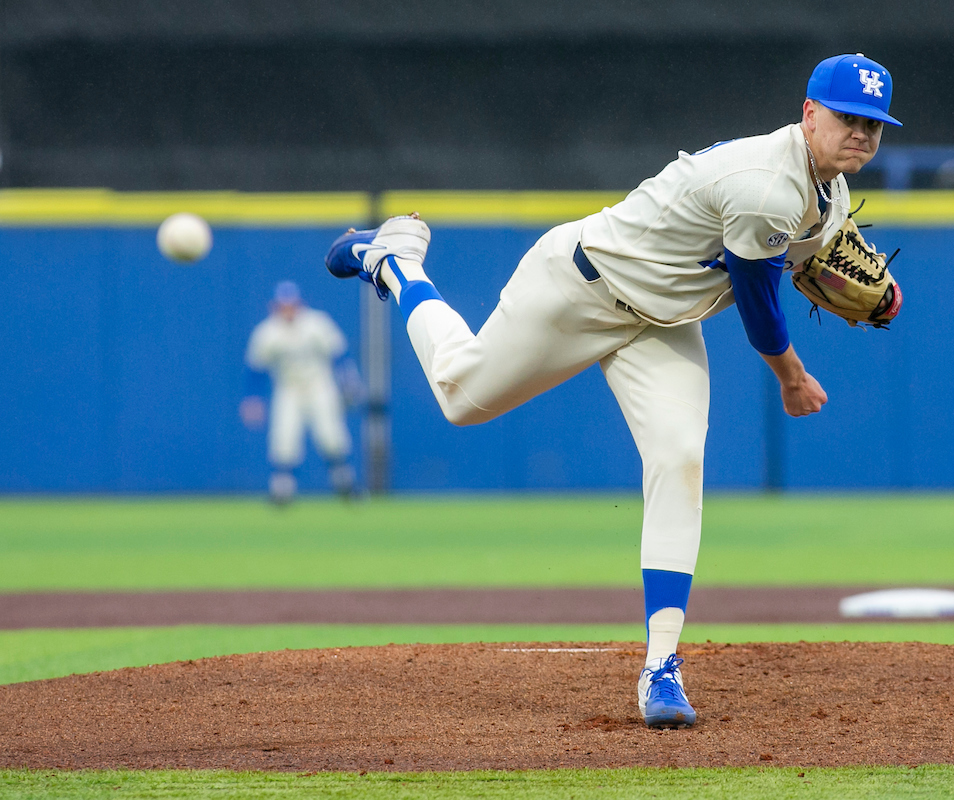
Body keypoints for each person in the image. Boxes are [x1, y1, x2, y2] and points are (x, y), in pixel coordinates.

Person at [326, 53, 901, 726]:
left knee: (680, 458)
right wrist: (793, 378)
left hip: (661, 323)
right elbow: (758, 305)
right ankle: (394, 262)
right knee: (460, 397)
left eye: (874, 123)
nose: (862, 133)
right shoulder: (766, 184)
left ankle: (662, 669)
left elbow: (816, 257)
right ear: (809, 114)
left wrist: (885, 296)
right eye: (847, 117)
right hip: (579, 285)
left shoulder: (826, 194)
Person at [240, 281, 361, 504]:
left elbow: (339, 356)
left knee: (331, 436)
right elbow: (256, 369)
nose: (288, 309)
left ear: (299, 304)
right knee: (284, 438)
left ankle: (346, 485)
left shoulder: (316, 323)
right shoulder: (267, 332)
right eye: (283, 305)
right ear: (274, 306)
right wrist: (252, 399)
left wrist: (350, 384)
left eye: (291, 304)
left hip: (319, 385)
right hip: (288, 388)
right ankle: (282, 491)